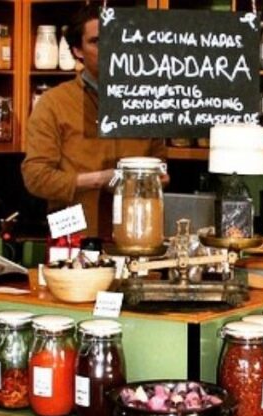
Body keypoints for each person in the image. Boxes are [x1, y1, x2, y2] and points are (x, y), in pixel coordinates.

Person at [21, 3, 166, 239]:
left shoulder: (146, 100)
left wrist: (155, 178)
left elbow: (160, 165)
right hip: (75, 237)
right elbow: (36, 177)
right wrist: (98, 179)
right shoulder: (54, 102)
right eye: (97, 41)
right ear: (77, 50)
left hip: (137, 234)